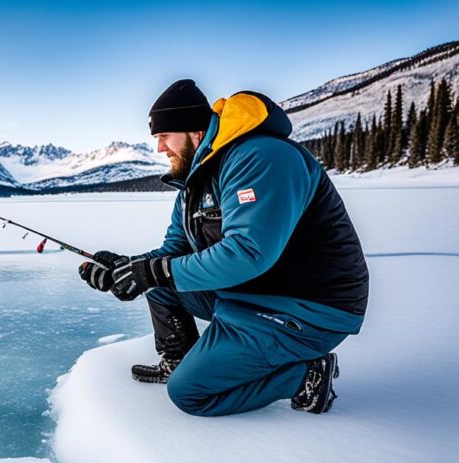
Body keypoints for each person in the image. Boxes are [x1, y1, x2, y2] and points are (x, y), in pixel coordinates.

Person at [79, 79, 369, 416]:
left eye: (163, 137)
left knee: (189, 394)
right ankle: (178, 358)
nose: (160, 148)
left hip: (307, 307)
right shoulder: (194, 183)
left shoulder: (261, 156)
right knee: (159, 283)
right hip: (252, 293)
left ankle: (304, 377)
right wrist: (124, 268)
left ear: (195, 132)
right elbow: (172, 253)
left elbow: (248, 252)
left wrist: (156, 271)